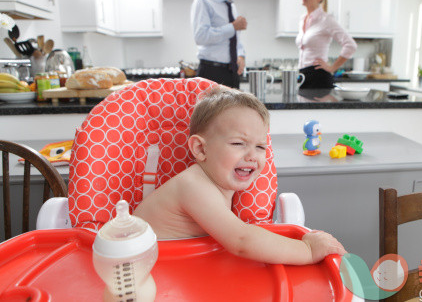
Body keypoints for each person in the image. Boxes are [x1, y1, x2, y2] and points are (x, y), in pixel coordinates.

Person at [134, 87, 346, 265]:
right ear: (200, 149)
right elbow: (242, 240)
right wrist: (307, 250)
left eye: (261, 146)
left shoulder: (217, 183)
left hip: (178, 264)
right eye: (238, 143)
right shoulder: (193, 186)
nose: (252, 156)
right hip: (142, 267)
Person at [296, 0, 357, 97]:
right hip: (303, 76)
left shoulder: (326, 19)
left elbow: (351, 45)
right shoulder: (303, 19)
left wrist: (332, 67)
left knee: (317, 116)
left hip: (319, 77)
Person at [190, 0, 248, 89]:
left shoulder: (231, 6)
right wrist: (232, 27)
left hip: (232, 73)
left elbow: (235, 40)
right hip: (211, 73)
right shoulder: (204, 1)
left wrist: (241, 55)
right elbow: (200, 37)